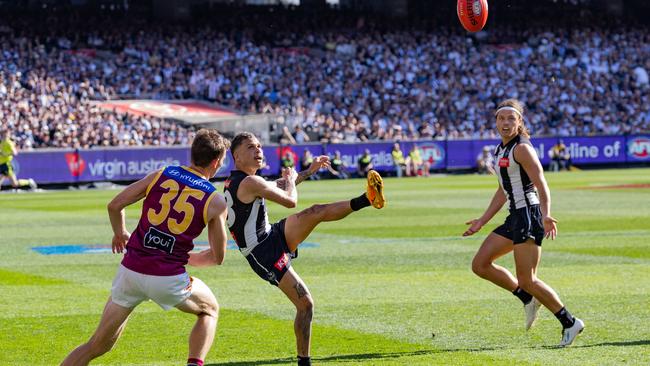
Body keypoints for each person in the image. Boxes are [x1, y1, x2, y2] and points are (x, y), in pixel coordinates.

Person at [61, 129, 231, 366]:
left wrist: (120, 233)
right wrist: (188, 258)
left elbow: (115, 205)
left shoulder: (163, 173)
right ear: (215, 162)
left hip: (130, 272)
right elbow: (218, 256)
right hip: (167, 278)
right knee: (209, 310)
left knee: (97, 345)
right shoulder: (216, 200)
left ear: (192, 154)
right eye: (222, 162)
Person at [224, 132, 385, 366]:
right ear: (236, 156)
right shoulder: (250, 182)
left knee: (316, 211)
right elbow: (290, 200)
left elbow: (279, 186)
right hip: (263, 253)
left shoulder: (245, 181)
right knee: (306, 304)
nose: (258, 150)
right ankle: (304, 361)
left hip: (271, 234)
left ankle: (367, 199)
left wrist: (308, 171)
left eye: (259, 146)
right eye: (251, 147)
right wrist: (290, 180)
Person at [463, 99, 584, 347]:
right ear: (495, 122)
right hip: (515, 216)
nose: (506, 123)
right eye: (501, 118)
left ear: (519, 122)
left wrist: (546, 214)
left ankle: (570, 322)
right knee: (480, 264)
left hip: (529, 215)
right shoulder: (500, 150)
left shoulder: (522, 149)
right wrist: (481, 221)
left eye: (511, 118)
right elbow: (502, 190)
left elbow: (541, 183)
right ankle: (527, 298)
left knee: (528, 279)